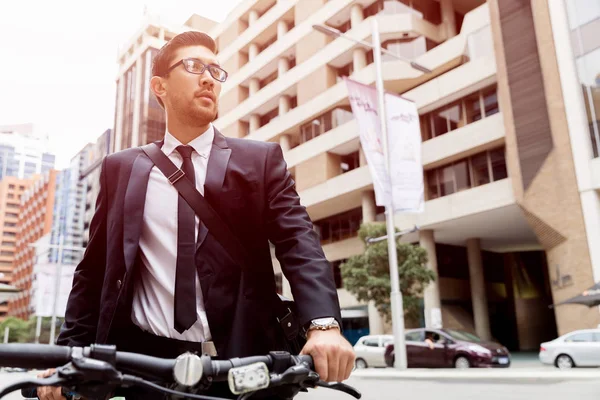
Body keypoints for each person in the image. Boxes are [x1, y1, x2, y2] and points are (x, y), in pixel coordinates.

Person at [37, 30, 354, 399]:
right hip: (147, 370)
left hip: (246, 366)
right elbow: (93, 273)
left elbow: (299, 242)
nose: (209, 78)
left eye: (217, 71)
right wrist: (66, 357)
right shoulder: (119, 168)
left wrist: (324, 325)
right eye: (193, 66)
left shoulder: (260, 160)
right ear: (160, 86)